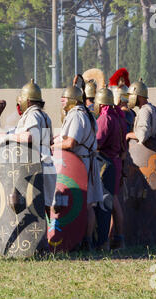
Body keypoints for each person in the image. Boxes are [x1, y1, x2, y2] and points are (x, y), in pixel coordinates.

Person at [0, 80, 56, 220]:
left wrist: (7, 139)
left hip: (36, 166)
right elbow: (49, 141)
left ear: (28, 101)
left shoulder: (32, 115)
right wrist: (3, 135)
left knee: (35, 207)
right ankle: (47, 238)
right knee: (44, 206)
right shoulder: (44, 116)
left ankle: (43, 239)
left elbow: (28, 136)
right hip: (45, 163)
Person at [51, 80, 103, 251]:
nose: (62, 101)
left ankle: (84, 240)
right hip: (84, 162)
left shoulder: (76, 114)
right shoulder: (86, 113)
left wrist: (52, 147)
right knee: (87, 204)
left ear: (73, 100)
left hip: (79, 164)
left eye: (64, 98)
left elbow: (71, 143)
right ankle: (85, 239)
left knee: (84, 204)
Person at [125, 79, 156, 245]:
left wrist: (129, 135)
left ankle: (148, 237)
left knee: (147, 199)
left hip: (149, 159)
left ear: (137, 96)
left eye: (131, 95)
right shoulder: (155, 109)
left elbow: (143, 136)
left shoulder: (145, 111)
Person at [94, 87, 127, 250]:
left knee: (108, 203)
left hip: (106, 164)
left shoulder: (105, 118)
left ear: (100, 104)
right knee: (113, 201)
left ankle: (107, 241)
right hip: (115, 162)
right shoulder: (118, 117)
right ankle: (117, 239)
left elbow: (97, 143)